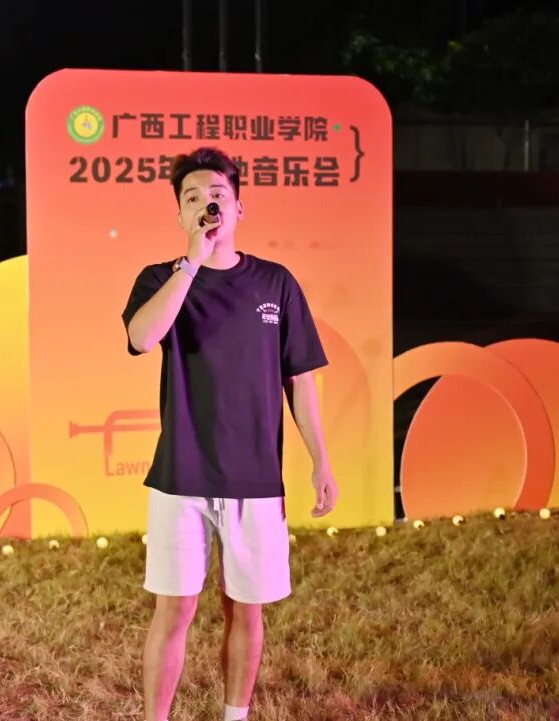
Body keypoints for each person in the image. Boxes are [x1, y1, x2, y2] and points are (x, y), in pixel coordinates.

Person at [122, 147, 338, 721]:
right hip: (181, 476)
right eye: (192, 197)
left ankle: (234, 715)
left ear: (239, 206)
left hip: (256, 479)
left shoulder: (275, 283)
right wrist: (191, 264)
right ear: (180, 215)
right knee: (175, 609)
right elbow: (142, 337)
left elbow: (300, 379)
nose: (207, 203)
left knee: (246, 609)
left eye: (217, 194)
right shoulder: (161, 279)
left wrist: (320, 460)